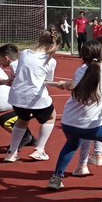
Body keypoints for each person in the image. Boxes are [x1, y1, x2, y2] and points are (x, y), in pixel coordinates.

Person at [46, 40, 102, 190]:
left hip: (68, 122)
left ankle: (56, 178)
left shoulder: (80, 71)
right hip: (89, 125)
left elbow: (74, 85)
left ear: (83, 57)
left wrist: (65, 84)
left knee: (72, 144)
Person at [2, 28, 59, 162]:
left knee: (22, 120)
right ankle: (39, 149)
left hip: (17, 96)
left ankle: (12, 152)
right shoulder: (50, 61)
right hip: (35, 97)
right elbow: (48, 80)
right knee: (51, 117)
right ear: (53, 45)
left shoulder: (25, 53)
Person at [73, 35, 102, 176]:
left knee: (88, 134)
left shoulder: (84, 69)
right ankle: (98, 156)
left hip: (95, 109)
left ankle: (82, 165)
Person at [0, 44, 36, 151]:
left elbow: (23, 83)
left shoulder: (15, 66)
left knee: (6, 120)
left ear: (6, 58)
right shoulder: (18, 65)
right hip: (28, 101)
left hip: (31, 102)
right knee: (16, 118)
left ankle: (23, 139)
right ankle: (30, 139)